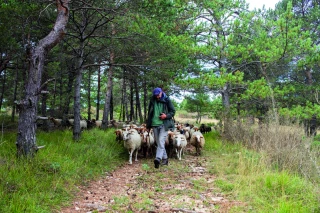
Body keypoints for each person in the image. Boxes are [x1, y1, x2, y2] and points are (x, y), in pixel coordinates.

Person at [146, 87, 176, 168]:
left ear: (161, 92)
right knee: (159, 142)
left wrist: (166, 116)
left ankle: (158, 158)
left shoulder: (167, 100)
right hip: (154, 124)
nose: (157, 97)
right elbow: (149, 113)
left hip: (164, 124)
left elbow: (173, 111)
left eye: (158, 95)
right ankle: (165, 159)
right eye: (155, 95)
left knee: (161, 140)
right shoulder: (152, 100)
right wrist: (148, 125)